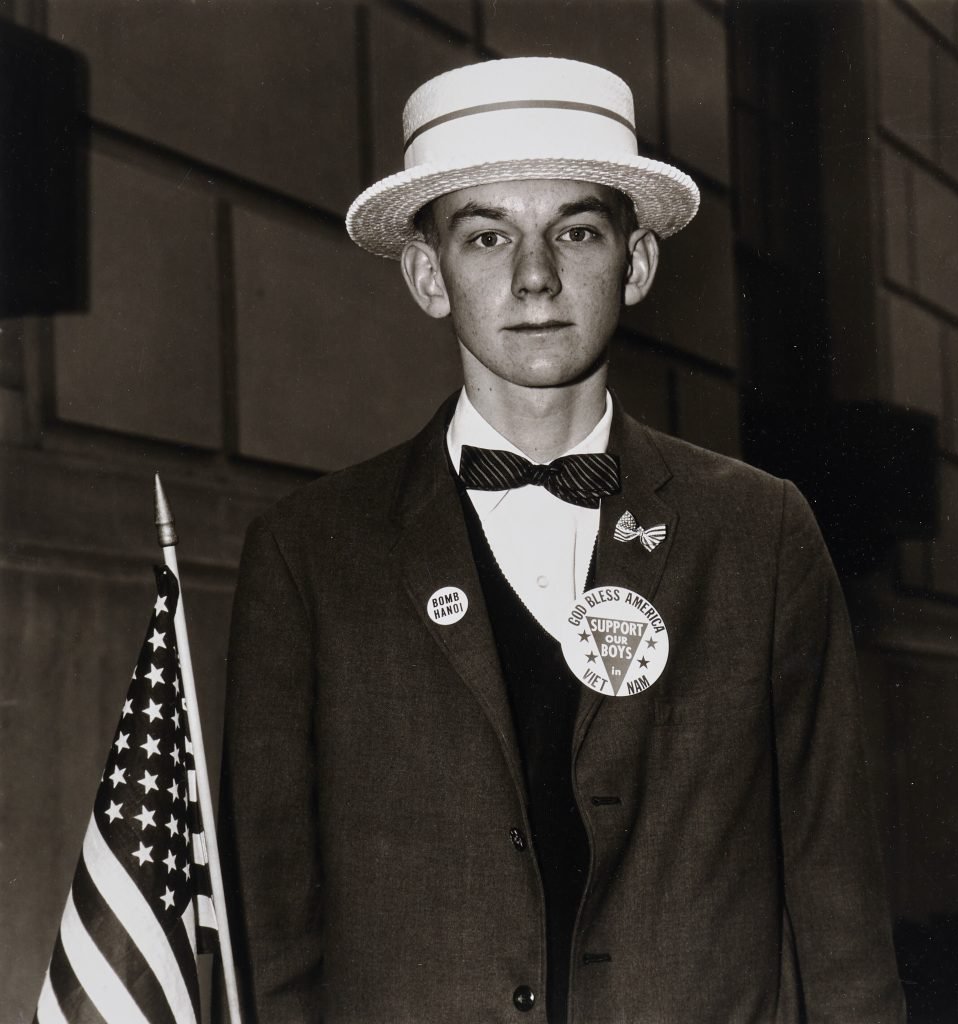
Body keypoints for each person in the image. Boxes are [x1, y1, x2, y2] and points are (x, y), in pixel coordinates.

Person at [219, 57, 905, 1023]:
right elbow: (271, 931)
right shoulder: (310, 555)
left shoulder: (760, 533)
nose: (535, 276)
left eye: (575, 231)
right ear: (426, 273)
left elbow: (837, 904)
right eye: (487, 235)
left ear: (636, 262)